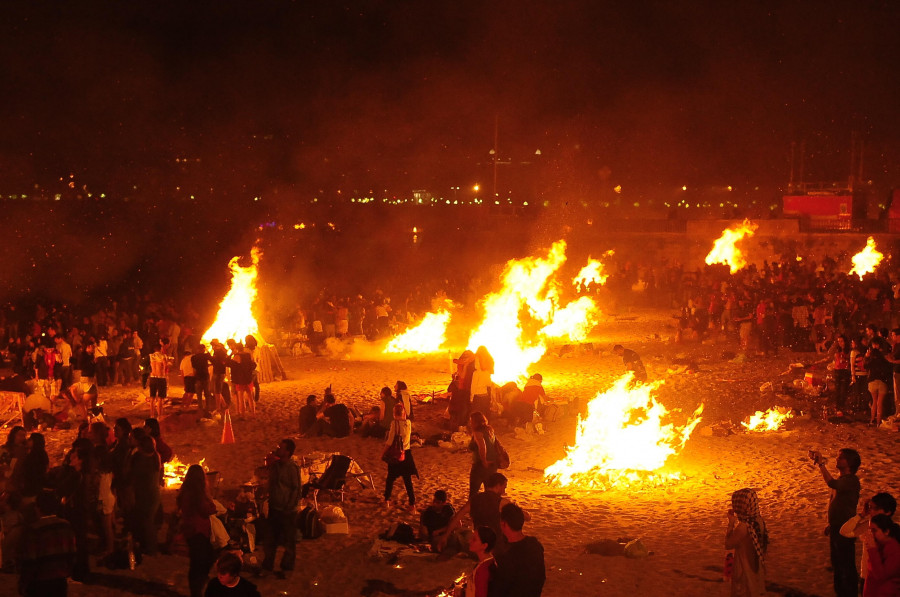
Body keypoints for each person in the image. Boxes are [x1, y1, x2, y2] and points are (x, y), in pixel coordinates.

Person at [811, 448, 861, 597]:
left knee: (846, 564)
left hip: (845, 527)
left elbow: (831, 483)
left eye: (841, 458)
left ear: (850, 463)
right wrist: (830, 523)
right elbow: (834, 501)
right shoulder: (843, 480)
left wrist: (821, 464)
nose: (837, 460)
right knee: (837, 563)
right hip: (836, 526)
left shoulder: (851, 481)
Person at [17, 490, 77, 597]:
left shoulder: (34, 529)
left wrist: (23, 582)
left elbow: (30, 560)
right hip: (60, 579)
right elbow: (72, 552)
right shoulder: (66, 525)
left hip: (40, 581)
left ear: (38, 508)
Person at [841, 492, 897, 592]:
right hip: (866, 576)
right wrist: (862, 515)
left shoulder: (896, 530)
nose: (871, 511)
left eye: (875, 508)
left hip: (885, 581)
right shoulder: (868, 526)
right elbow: (844, 531)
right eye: (870, 507)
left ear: (888, 512)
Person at [177, 464, 218, 597]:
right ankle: (196, 591)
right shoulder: (197, 493)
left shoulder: (186, 491)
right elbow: (206, 510)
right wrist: (213, 505)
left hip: (191, 530)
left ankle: (198, 586)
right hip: (197, 531)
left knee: (203, 558)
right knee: (199, 562)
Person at [261, 439, 300, 579]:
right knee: (271, 539)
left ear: (288, 452)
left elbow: (296, 489)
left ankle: (287, 568)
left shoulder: (292, 468)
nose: (278, 449)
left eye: (281, 448)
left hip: (287, 510)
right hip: (275, 507)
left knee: (289, 541)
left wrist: (289, 506)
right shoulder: (276, 466)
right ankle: (267, 566)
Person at [490, 503, 545, 596]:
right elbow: (541, 577)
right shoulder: (535, 546)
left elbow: (499, 588)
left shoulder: (507, 557)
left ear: (503, 524)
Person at [725, 488, 768, 596]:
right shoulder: (758, 520)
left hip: (744, 571)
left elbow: (728, 544)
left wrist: (731, 523)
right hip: (756, 569)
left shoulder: (744, 527)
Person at [383, 403, 417, 512]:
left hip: (396, 454)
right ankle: (412, 504)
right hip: (406, 454)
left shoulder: (394, 424)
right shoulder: (408, 423)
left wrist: (383, 452)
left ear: (394, 414)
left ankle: (386, 500)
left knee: (390, 479)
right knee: (407, 480)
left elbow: (390, 440)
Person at [862, 514, 900, 596]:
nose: (871, 535)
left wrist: (872, 549)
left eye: (874, 530)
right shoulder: (879, 547)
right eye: (870, 531)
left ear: (886, 531)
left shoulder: (895, 551)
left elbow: (880, 576)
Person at [467, 412, 498, 500]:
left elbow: (482, 446)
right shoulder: (490, 430)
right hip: (493, 464)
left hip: (481, 465)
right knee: (489, 492)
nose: (470, 423)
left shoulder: (478, 432)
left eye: (471, 421)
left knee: (473, 492)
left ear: (475, 422)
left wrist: (484, 461)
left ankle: (473, 511)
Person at [463, 526, 496, 597]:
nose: (469, 541)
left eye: (474, 539)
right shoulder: (490, 562)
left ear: (484, 545)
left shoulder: (482, 570)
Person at [148, 338, 171, 419]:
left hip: (152, 377)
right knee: (161, 398)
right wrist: (169, 364)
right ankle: (160, 415)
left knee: (152, 398)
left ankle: (152, 415)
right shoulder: (163, 356)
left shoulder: (151, 356)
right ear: (160, 348)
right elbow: (165, 365)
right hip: (161, 378)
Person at [470, 347, 494, 417]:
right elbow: (489, 384)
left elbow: (473, 387)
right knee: (485, 414)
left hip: (477, 397)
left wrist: (471, 398)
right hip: (485, 396)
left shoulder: (476, 373)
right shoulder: (486, 372)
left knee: (477, 415)